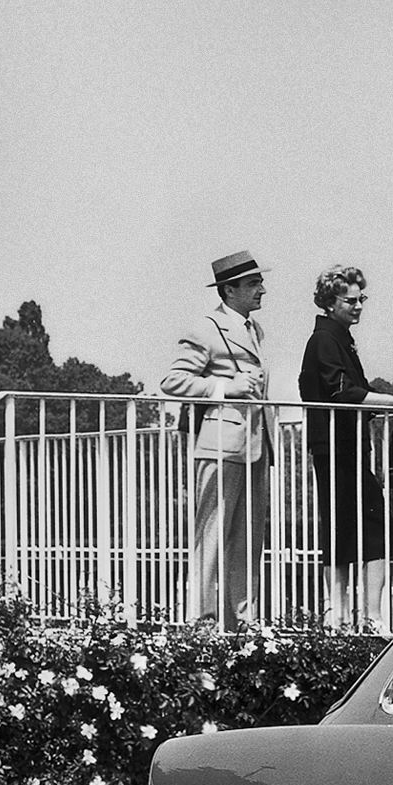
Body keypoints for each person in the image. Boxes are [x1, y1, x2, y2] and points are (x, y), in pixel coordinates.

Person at [298, 264, 393, 630]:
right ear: (331, 302)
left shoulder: (337, 338)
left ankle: (347, 616)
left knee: (352, 529)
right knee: (366, 529)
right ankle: (359, 617)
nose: (358, 306)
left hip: (345, 446)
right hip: (336, 447)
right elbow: (344, 392)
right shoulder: (326, 341)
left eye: (362, 300)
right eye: (351, 300)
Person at [160, 251, 272, 622]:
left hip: (256, 445)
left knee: (247, 539)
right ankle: (201, 621)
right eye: (254, 283)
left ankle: (242, 620)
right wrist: (226, 388)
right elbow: (173, 381)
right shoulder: (205, 328)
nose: (262, 290)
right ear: (229, 289)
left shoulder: (254, 329)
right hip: (220, 445)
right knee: (212, 535)